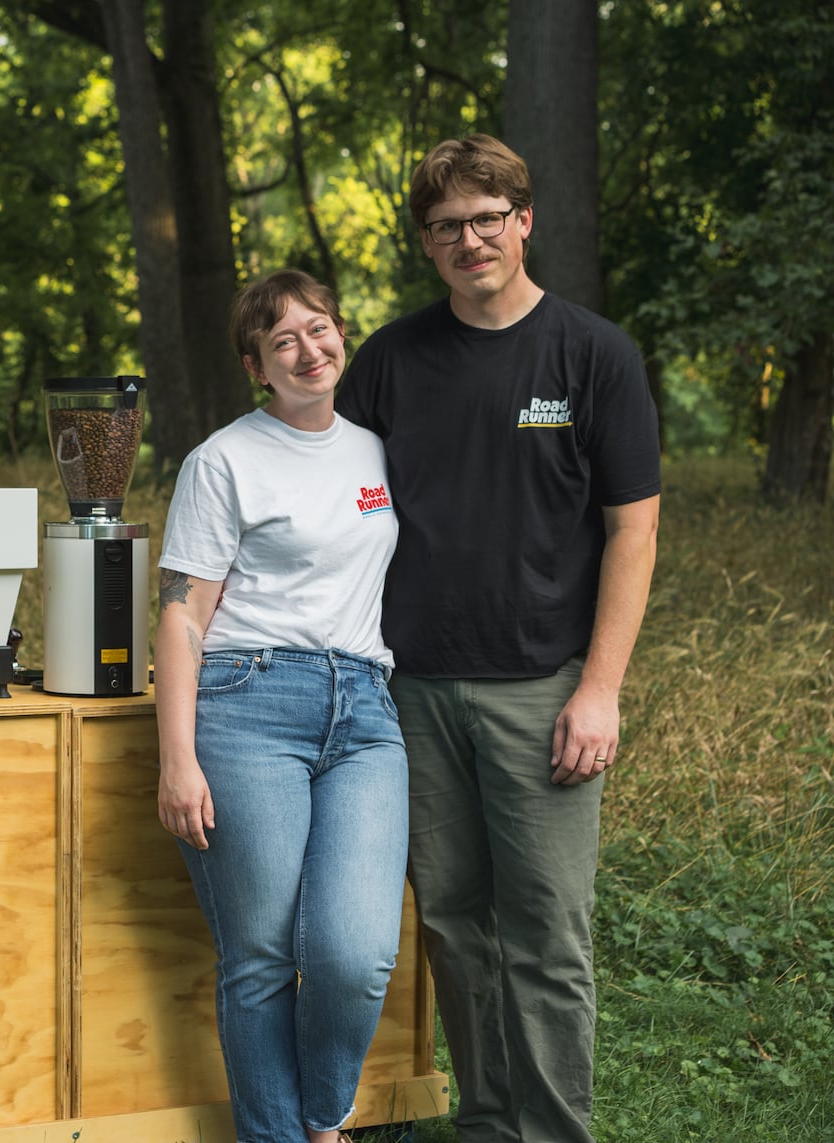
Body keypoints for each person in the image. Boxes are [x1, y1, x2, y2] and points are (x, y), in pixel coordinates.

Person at [335, 134, 662, 1143]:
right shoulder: (390, 360)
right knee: (452, 923)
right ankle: (486, 1121)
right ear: (425, 243)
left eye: (486, 219)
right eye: (447, 226)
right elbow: (326, 498)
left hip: (542, 689)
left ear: (524, 222)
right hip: (411, 691)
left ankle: (553, 1131)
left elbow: (633, 529)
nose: (469, 240)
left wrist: (598, 689)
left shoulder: (592, 354)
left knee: (546, 931)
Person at [155, 268, 406, 1143]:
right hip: (249, 705)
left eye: (319, 327)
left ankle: (320, 1117)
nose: (309, 349)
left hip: (366, 712)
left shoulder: (375, 450)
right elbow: (183, 614)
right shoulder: (223, 460)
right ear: (256, 365)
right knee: (260, 954)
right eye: (283, 340)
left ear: (341, 333)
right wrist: (177, 758)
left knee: (356, 953)